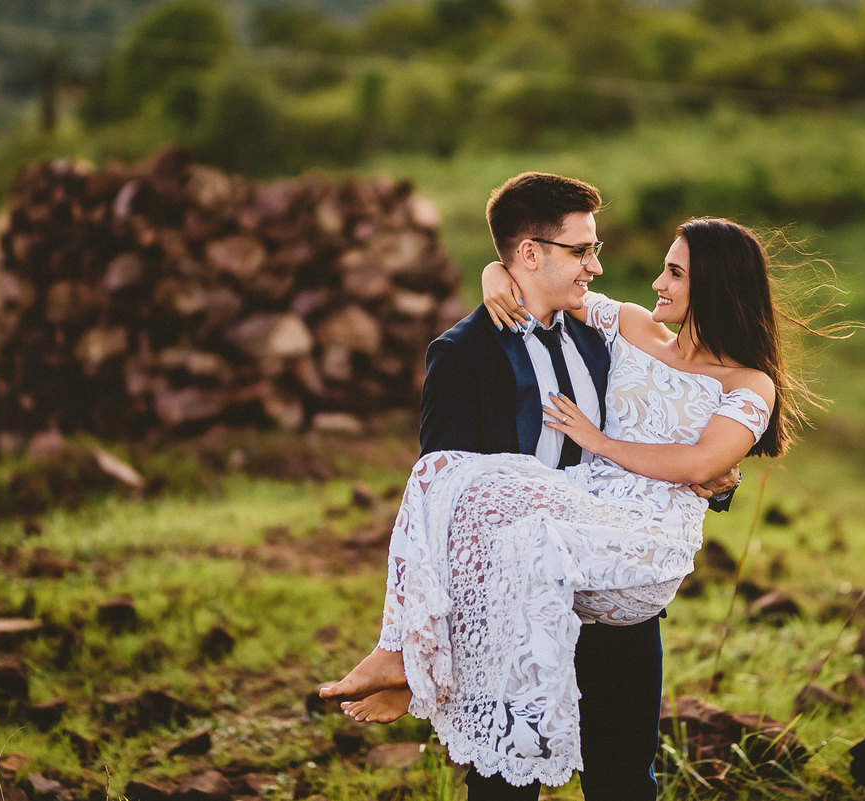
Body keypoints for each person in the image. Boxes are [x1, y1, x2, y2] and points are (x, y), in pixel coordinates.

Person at [320, 181, 810, 794]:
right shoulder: (467, 352)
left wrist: (713, 480)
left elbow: (694, 453)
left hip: (616, 587)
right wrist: (495, 274)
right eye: (582, 251)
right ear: (529, 254)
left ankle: (407, 661)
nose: (598, 267)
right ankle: (407, 658)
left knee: (623, 776)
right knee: (503, 783)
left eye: (593, 250)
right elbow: (453, 508)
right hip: (518, 588)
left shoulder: (603, 337)